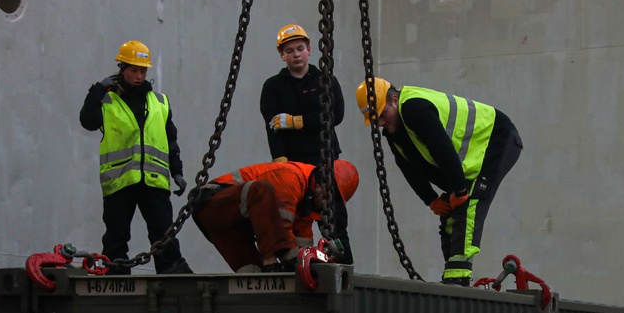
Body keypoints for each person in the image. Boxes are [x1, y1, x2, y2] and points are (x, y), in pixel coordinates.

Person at [355, 77, 523, 286]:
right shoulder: (394, 131)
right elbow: (407, 166)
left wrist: (460, 190)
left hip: (498, 140)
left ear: (395, 100)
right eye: (375, 119)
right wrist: (431, 199)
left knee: (468, 205)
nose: (380, 122)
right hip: (469, 160)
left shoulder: (414, 108)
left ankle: (457, 280)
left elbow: (441, 148)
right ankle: (453, 276)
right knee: (451, 214)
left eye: (382, 114)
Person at [79, 39, 192, 275]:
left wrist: (177, 171)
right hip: (120, 181)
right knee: (116, 234)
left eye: (143, 71)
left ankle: (173, 272)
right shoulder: (108, 100)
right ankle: (115, 275)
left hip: (154, 180)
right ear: (122, 69)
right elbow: (87, 121)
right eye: (134, 70)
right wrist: (98, 89)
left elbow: (171, 140)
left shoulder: (160, 102)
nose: (139, 76)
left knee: (163, 232)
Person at [259, 24, 353, 265]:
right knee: (295, 222)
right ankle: (300, 266)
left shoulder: (326, 81)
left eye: (300, 48)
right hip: (294, 166)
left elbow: (336, 115)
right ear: (282, 55)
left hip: (324, 162)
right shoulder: (273, 87)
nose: (296, 54)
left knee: (334, 221)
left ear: (310, 50)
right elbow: (272, 128)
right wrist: (279, 161)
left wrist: (295, 121)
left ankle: (343, 267)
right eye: (290, 50)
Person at [191, 160, 359, 273]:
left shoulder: (305, 209)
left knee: (254, 282)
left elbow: (301, 247)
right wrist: (291, 262)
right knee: (260, 189)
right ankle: (269, 261)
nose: (326, 206)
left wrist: (311, 266)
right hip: (212, 203)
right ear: (325, 186)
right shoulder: (291, 177)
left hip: (232, 226)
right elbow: (281, 229)